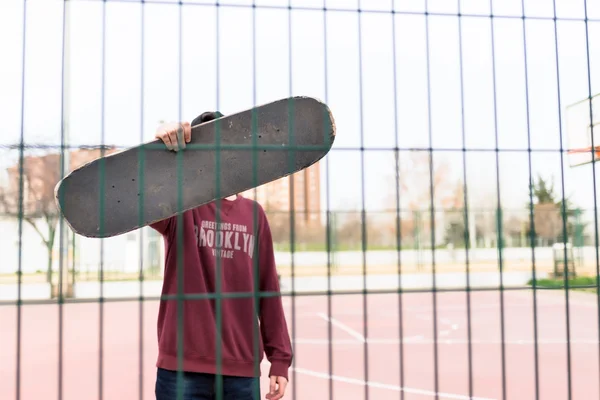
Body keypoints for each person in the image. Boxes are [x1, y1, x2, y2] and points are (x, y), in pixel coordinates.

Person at [149, 111, 293, 400]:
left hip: (240, 371)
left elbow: (268, 289)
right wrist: (160, 149)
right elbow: (140, 195)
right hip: (182, 369)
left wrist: (280, 358)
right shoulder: (179, 207)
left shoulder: (254, 214)